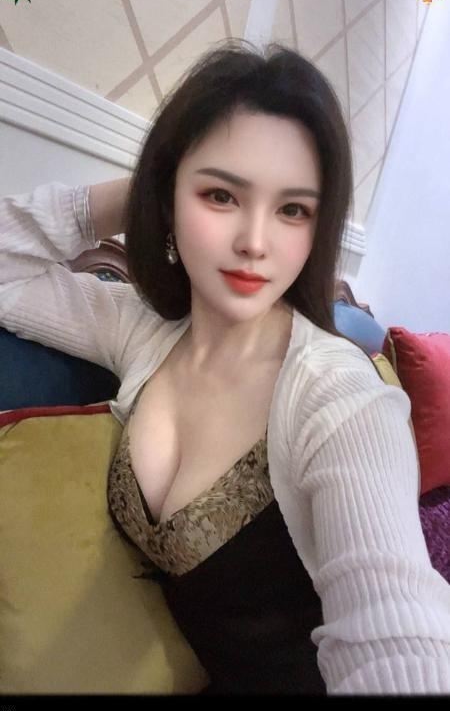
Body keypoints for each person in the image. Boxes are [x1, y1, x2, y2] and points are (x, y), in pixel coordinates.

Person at [1, 39, 449, 695]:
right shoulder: (143, 329)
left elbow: (399, 636)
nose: (255, 242)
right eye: (221, 195)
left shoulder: (340, 398)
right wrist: (149, 187)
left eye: (293, 209)